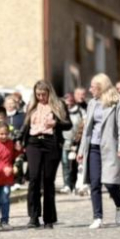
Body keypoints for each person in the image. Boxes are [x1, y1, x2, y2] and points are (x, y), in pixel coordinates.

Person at [20, 80, 72, 229]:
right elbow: (25, 125)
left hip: (51, 143)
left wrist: (56, 124)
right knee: (34, 178)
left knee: (48, 181)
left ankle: (49, 218)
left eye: (43, 94)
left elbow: (68, 124)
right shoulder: (31, 106)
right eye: (38, 95)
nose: (41, 97)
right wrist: (20, 139)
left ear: (49, 93)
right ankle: (34, 216)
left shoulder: (58, 105)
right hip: (34, 142)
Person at [77, 73, 120, 228]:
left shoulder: (117, 103)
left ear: (101, 88)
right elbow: (87, 130)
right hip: (94, 147)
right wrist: (81, 150)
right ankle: (97, 217)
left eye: (93, 87)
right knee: (94, 183)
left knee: (110, 183)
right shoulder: (92, 104)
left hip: (110, 147)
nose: (90, 90)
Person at [0, 123, 21, 230]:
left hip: (6, 178)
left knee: (5, 199)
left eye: (6, 134)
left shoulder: (10, 143)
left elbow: (14, 156)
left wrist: (19, 150)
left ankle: (5, 220)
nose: (4, 136)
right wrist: (3, 168)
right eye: (1, 134)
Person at [60, 92, 86, 194]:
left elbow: (84, 123)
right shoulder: (62, 112)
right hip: (65, 141)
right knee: (65, 164)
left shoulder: (80, 111)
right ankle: (67, 184)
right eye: (66, 102)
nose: (69, 104)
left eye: (70, 101)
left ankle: (76, 184)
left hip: (77, 142)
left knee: (76, 164)